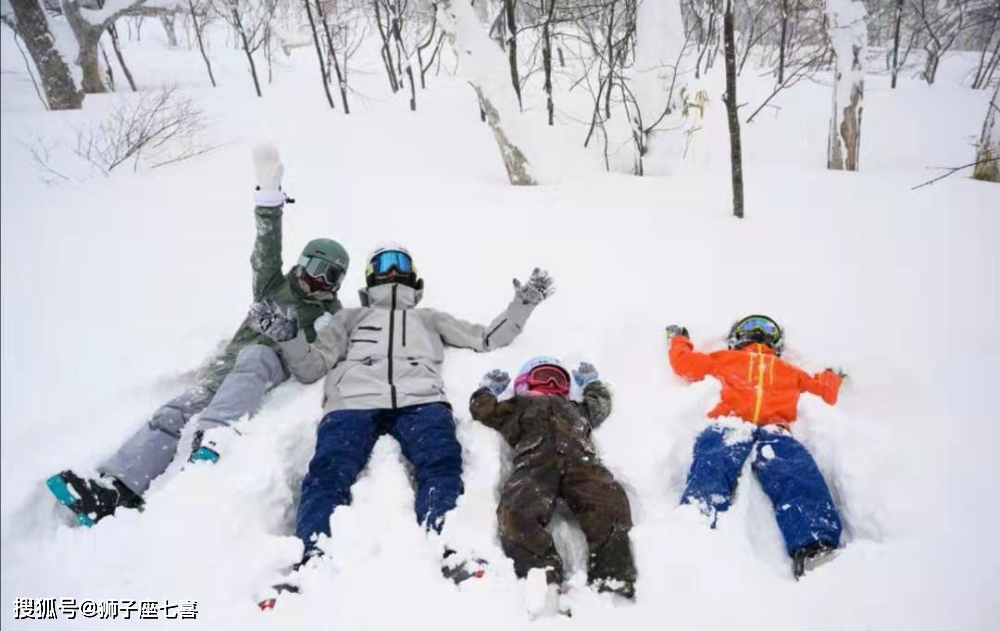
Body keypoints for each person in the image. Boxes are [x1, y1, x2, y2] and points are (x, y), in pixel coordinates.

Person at [46, 145, 350, 527]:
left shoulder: (330, 315)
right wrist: (269, 198)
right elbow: (265, 249)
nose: (321, 280)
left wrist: (296, 336)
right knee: (172, 413)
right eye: (318, 268)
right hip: (226, 373)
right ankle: (115, 490)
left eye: (332, 275)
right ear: (303, 263)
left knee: (256, 358)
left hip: (269, 369)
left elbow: (317, 359)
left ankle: (212, 440)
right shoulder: (274, 286)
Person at [249, 245, 554, 574]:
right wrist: (289, 337)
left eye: (400, 262)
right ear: (371, 275)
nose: (393, 269)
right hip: (354, 403)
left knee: (441, 465)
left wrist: (524, 304)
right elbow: (311, 367)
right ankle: (313, 557)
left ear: (412, 273)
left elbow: (485, 339)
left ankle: (447, 545)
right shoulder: (350, 317)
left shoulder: (429, 318)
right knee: (328, 472)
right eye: (384, 262)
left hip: (420, 402)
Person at [664, 315, 845, 578]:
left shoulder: (789, 370)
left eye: (764, 328)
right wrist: (679, 340)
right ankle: (699, 522)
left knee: (795, 470)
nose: (758, 332)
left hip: (775, 430)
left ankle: (813, 542)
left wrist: (832, 378)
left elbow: (822, 390)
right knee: (713, 461)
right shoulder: (727, 359)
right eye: (751, 327)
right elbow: (686, 365)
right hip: (732, 422)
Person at [470, 357, 637, 599]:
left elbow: (598, 407)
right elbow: (482, 410)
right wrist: (486, 391)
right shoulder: (516, 406)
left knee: (610, 504)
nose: (550, 383)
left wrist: (593, 385)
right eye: (543, 377)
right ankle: (542, 578)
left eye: (557, 379)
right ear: (524, 383)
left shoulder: (573, 407)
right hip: (533, 463)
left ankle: (612, 577)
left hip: (582, 463)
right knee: (516, 513)